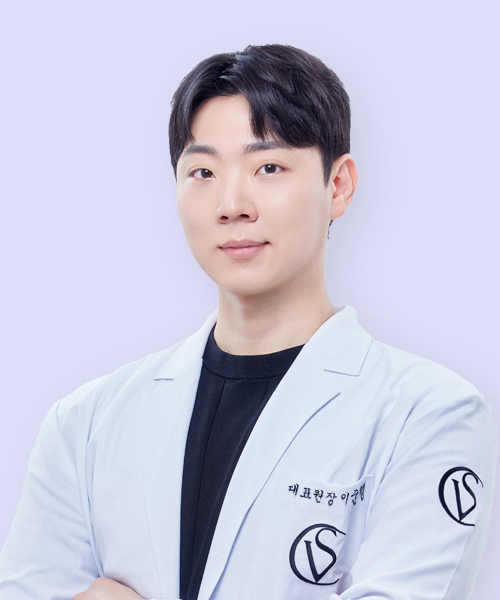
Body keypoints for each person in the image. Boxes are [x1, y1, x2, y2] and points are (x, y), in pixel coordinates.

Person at [0, 44, 496, 600]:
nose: (232, 204)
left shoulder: (430, 415)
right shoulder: (85, 423)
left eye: (269, 167)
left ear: (338, 186)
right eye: (203, 171)